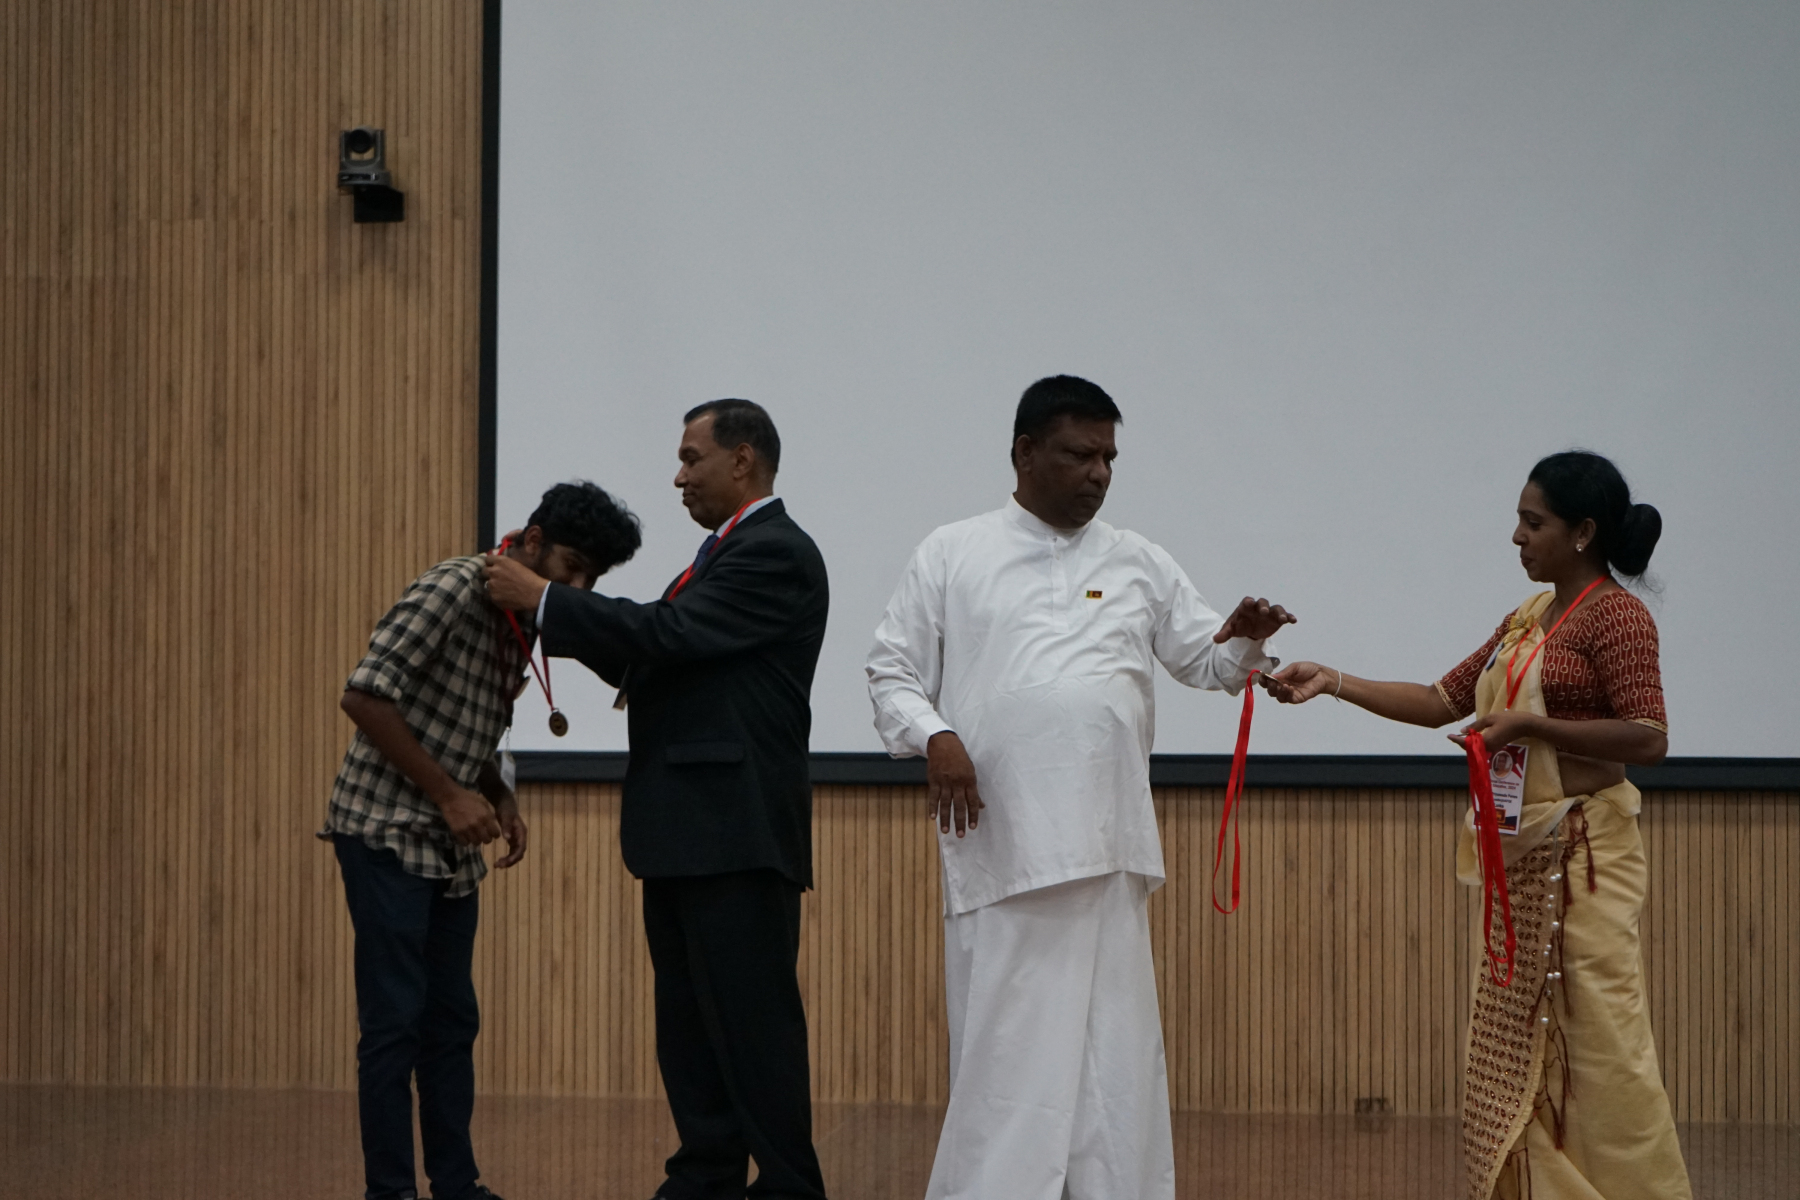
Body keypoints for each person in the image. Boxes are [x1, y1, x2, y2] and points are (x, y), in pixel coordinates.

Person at [864, 375, 1296, 1200]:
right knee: (1007, 1058)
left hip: (1108, 842)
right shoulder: (952, 552)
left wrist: (1244, 641)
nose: (1099, 473)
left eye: (1109, 458)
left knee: (1115, 1063)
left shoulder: (1138, 560)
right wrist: (937, 736)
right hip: (1003, 847)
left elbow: (1206, 662)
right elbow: (892, 670)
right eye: (1080, 454)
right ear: (1025, 453)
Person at [1266, 450, 1691, 1200]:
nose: (1517, 537)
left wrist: (1533, 726)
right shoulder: (1526, 619)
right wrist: (1331, 681)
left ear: (1583, 532)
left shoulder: (1619, 616)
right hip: (1520, 861)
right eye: (1519, 520)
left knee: (1599, 1042)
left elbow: (1648, 738)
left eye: (1534, 522)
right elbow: (1440, 700)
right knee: (1510, 1040)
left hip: (1587, 858)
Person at [484, 400, 831, 1200]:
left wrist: (544, 600)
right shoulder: (721, 553)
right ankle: (705, 1176)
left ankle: (788, 1186)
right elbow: (659, 660)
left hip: (734, 832)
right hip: (690, 831)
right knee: (691, 1029)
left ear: (742, 460)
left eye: (691, 458)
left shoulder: (773, 550)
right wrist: (554, 613)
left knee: (752, 1029)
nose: (678, 477)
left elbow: (670, 636)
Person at [322, 481, 643, 1200]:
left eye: (592, 578)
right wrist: (449, 794)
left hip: (449, 843)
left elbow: (466, 719)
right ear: (531, 541)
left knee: (451, 1024)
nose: (578, 588)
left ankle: (457, 1186)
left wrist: (498, 794)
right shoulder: (454, 587)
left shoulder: (523, 617)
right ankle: (390, 1191)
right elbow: (364, 695)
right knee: (394, 1025)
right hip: (384, 828)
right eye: (571, 566)